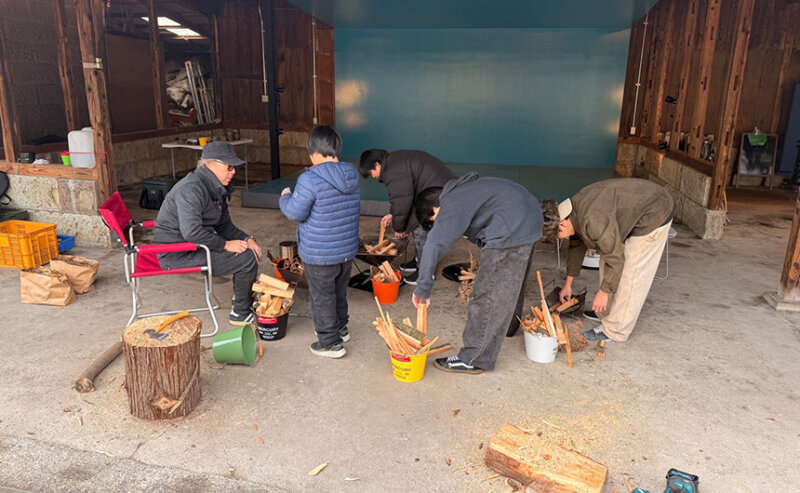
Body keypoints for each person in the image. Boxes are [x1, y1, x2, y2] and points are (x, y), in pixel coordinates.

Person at [411, 172, 543, 374]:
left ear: (435, 207)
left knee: (488, 294)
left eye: (434, 219)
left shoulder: (451, 202)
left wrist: (423, 288)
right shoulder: (465, 191)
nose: (438, 224)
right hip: (528, 218)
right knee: (510, 284)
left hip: (512, 226)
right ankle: (508, 327)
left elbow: (434, 244)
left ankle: (473, 358)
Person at [154, 141, 262, 326]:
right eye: (229, 167)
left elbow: (224, 225)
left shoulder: (216, 187)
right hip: (176, 253)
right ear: (210, 164)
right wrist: (225, 245)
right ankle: (240, 313)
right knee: (246, 259)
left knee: (247, 250)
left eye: (234, 167)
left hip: (193, 245)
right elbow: (191, 232)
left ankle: (241, 300)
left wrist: (247, 239)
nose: (233, 172)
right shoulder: (191, 189)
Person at [556, 178, 674, 342]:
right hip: (635, 208)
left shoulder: (593, 220)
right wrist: (568, 285)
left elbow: (616, 257)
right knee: (607, 260)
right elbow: (577, 247)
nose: (559, 238)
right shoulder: (573, 214)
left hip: (654, 211)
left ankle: (615, 330)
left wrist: (603, 292)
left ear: (562, 223)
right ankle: (607, 312)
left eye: (557, 234)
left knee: (631, 273)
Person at [280, 125, 360, 359]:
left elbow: (295, 212)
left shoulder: (309, 178)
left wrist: (285, 197)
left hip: (320, 253)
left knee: (322, 297)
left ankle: (330, 343)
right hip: (346, 250)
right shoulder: (351, 173)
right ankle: (341, 328)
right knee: (338, 292)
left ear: (314, 152)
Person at [358, 149, 457, 284]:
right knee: (415, 222)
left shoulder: (393, 171)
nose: (374, 176)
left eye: (371, 172)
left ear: (377, 164)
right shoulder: (394, 162)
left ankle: (425, 273)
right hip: (436, 190)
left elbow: (402, 201)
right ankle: (418, 261)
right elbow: (405, 197)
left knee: (420, 227)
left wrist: (399, 228)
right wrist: (393, 214)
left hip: (441, 193)